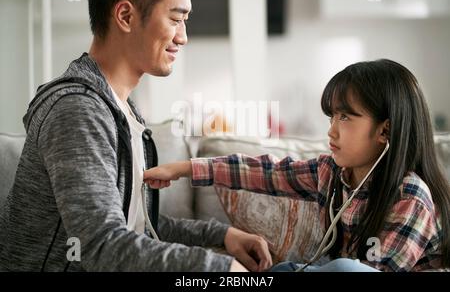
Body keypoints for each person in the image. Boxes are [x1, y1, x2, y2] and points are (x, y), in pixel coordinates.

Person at [0, 0, 273, 272]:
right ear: (126, 16)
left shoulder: (124, 113)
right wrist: (222, 270)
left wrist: (222, 235)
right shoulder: (77, 111)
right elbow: (103, 246)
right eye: (175, 18)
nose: (183, 37)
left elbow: (135, 224)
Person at [144, 59, 450, 272]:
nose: (332, 130)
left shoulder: (411, 196)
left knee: (341, 269)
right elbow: (266, 173)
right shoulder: (331, 173)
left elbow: (373, 270)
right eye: (331, 117)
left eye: (345, 117)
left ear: (384, 131)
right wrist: (183, 168)